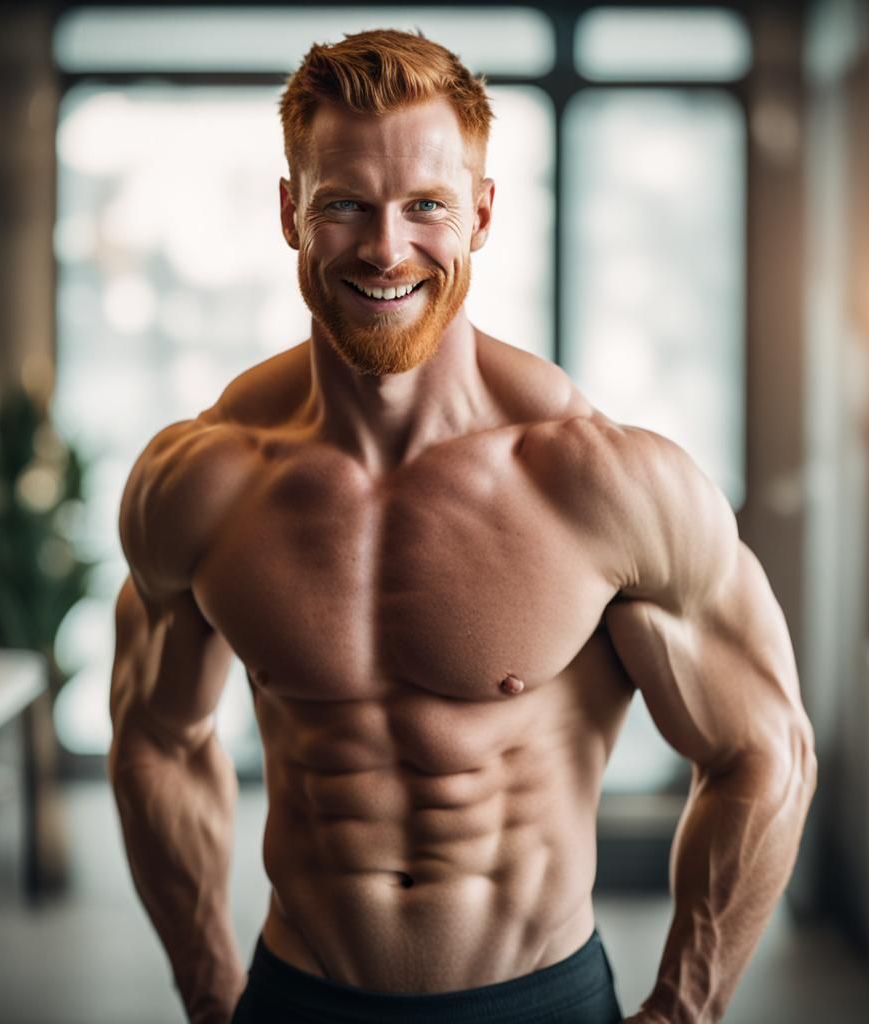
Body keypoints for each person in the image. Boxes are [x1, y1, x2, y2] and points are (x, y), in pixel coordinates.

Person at [108, 28, 818, 1024]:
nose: (385, 247)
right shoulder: (204, 480)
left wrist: (687, 1005)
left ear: (480, 214)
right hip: (295, 993)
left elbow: (766, 748)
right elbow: (156, 737)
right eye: (345, 202)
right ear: (289, 213)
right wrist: (208, 988)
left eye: (425, 205)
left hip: (539, 995)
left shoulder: (600, 482)